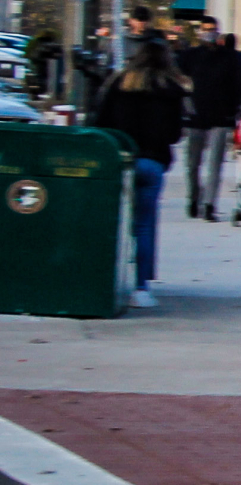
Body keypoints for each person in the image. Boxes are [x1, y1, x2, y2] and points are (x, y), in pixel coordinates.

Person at [89, 38, 187, 310]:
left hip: (120, 161)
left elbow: (100, 123)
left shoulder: (118, 84)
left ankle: (106, 280)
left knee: (116, 223)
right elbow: (175, 134)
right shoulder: (170, 90)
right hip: (152, 162)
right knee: (143, 225)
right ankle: (141, 287)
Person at [176, 19, 241, 220]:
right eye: (205, 30)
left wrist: (234, 111)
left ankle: (209, 204)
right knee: (192, 163)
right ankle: (194, 198)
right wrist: (185, 108)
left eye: (212, 30)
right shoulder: (189, 56)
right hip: (195, 116)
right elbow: (179, 83)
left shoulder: (230, 57)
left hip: (221, 117)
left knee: (215, 163)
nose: (209, 34)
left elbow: (239, 85)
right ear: (199, 32)